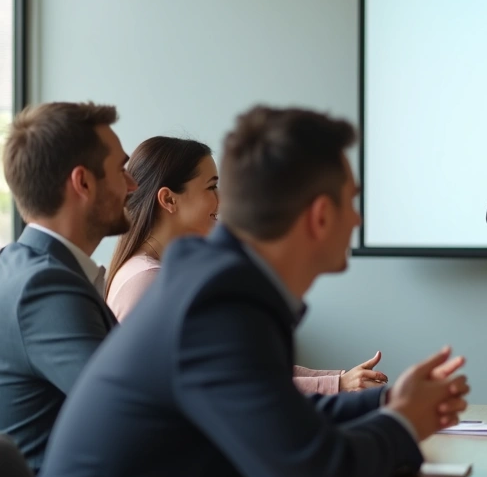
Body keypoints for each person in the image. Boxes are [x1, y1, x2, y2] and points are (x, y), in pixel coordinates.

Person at [24, 106, 470, 477]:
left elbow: (285, 422)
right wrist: (402, 422)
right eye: (351, 202)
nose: (359, 221)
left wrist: (391, 401)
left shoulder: (219, 283)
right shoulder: (218, 303)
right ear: (319, 216)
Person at [105, 136, 387, 394]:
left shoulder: (153, 275)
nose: (222, 200)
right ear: (168, 199)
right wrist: (338, 384)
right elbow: (228, 382)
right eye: (212, 186)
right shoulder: (147, 281)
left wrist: (341, 379)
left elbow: (243, 368)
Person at [0, 102, 135, 472]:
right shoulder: (44, 288)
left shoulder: (19, 266)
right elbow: (135, 412)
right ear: (84, 182)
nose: (132, 184)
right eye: (121, 169)